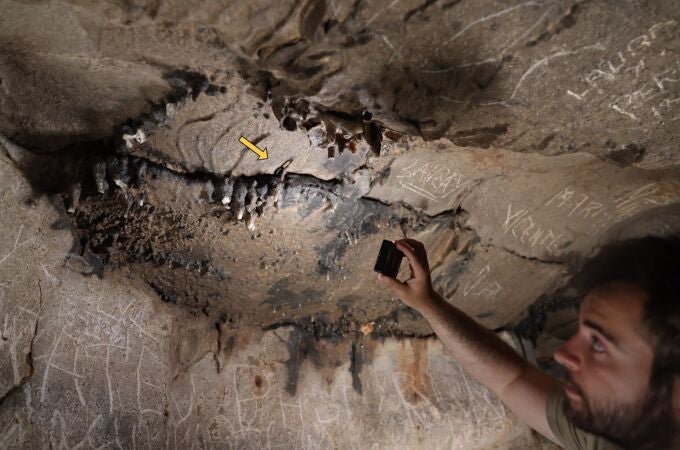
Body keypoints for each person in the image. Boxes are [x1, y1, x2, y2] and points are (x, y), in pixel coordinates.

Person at [377, 236, 680, 449]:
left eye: (599, 344)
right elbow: (511, 379)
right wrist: (428, 304)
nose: (563, 354)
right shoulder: (620, 431)